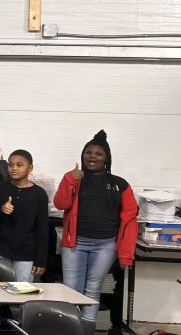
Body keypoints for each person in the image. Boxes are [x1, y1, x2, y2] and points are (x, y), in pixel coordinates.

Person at [54, 130, 138, 335]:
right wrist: (69, 179)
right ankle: (70, 330)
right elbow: (60, 203)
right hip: (75, 243)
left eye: (98, 154)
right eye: (88, 152)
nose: (92, 156)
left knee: (93, 288)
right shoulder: (75, 178)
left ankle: (86, 330)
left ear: (106, 158)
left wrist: (126, 254)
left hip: (105, 245)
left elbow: (129, 219)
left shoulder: (120, 184)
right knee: (71, 289)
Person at [0, 150, 49, 282]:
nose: (14, 168)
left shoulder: (39, 194)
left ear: (30, 168)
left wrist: (41, 260)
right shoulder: (0, 189)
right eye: (10, 165)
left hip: (26, 253)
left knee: (22, 290)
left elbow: (43, 229)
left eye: (19, 165)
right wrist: (1, 210)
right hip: (1, 250)